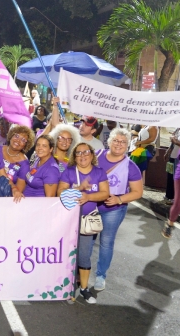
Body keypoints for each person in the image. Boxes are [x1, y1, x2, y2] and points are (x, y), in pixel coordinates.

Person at [58, 142, 110, 304]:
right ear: (74, 157)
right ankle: (68, 287)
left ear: (92, 154)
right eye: (78, 153)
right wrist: (79, 188)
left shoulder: (99, 172)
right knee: (67, 254)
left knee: (84, 256)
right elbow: (60, 192)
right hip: (69, 220)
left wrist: (88, 197)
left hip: (87, 221)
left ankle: (85, 289)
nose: (82, 156)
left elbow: (105, 193)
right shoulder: (69, 172)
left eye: (86, 152)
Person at [92, 128, 143, 291]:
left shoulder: (131, 166)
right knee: (86, 240)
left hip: (113, 209)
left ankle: (101, 275)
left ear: (128, 145)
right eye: (115, 140)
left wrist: (118, 199)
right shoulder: (96, 155)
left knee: (106, 242)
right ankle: (80, 272)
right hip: (91, 206)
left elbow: (138, 192)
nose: (119, 144)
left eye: (123, 142)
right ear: (109, 141)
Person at [0, 125, 33, 199]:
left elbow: (19, 190)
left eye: (23, 140)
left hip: (6, 198)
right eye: (16, 136)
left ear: (26, 145)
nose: (18, 141)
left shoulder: (24, 164)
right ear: (11, 136)